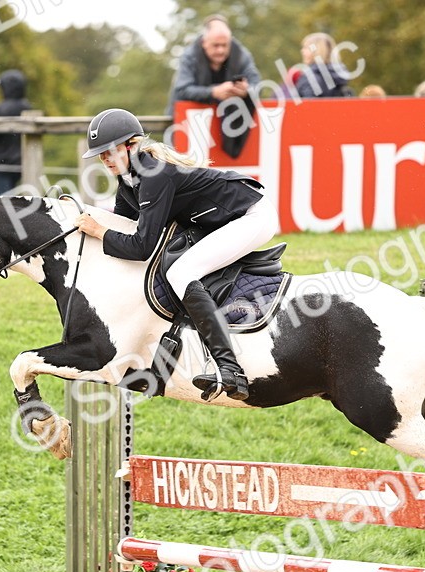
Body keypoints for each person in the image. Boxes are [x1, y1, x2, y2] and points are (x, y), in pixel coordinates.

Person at [74, 109, 278, 403]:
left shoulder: (154, 175)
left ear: (131, 145)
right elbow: (123, 227)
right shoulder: (129, 181)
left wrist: (98, 231)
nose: (104, 159)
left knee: (181, 272)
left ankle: (230, 369)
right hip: (221, 219)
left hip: (251, 216)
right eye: (100, 154)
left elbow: (141, 246)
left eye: (109, 151)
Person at [167, 14, 261, 157]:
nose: (220, 50)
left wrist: (246, 91)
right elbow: (182, 90)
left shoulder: (242, 54)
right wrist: (213, 92)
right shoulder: (189, 55)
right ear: (204, 42)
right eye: (216, 45)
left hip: (229, 129)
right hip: (188, 127)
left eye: (225, 45)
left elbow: (257, 85)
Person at [294, 33, 353, 98]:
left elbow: (308, 103)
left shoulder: (310, 77)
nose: (302, 51)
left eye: (306, 48)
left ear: (316, 51)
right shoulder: (338, 76)